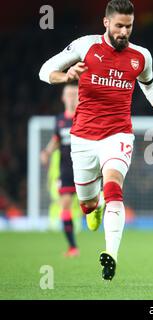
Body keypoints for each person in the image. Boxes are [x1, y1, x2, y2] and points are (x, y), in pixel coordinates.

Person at [39, 0, 153, 281]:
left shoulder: (141, 56)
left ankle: (111, 255)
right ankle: (93, 208)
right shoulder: (86, 46)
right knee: (88, 204)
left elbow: (149, 85)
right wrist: (65, 75)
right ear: (106, 22)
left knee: (114, 186)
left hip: (118, 134)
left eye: (128, 27)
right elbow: (45, 70)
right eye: (119, 25)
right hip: (82, 137)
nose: (124, 32)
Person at [40, 84, 80, 258]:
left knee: (90, 203)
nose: (71, 97)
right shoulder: (59, 120)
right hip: (66, 168)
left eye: (74, 94)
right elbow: (57, 139)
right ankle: (72, 247)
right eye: (68, 94)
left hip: (84, 165)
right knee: (65, 205)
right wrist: (47, 152)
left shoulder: (85, 117)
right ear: (63, 98)